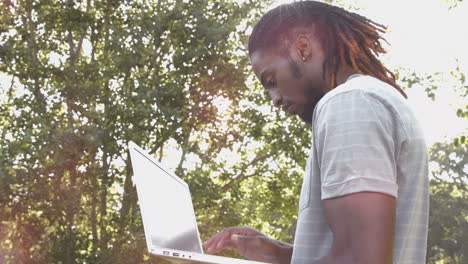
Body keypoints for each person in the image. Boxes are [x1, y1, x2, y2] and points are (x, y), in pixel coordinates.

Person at [203, 1, 429, 264]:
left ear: (302, 48)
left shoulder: (348, 104)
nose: (274, 99)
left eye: (271, 81)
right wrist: (281, 254)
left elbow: (362, 260)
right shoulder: (368, 100)